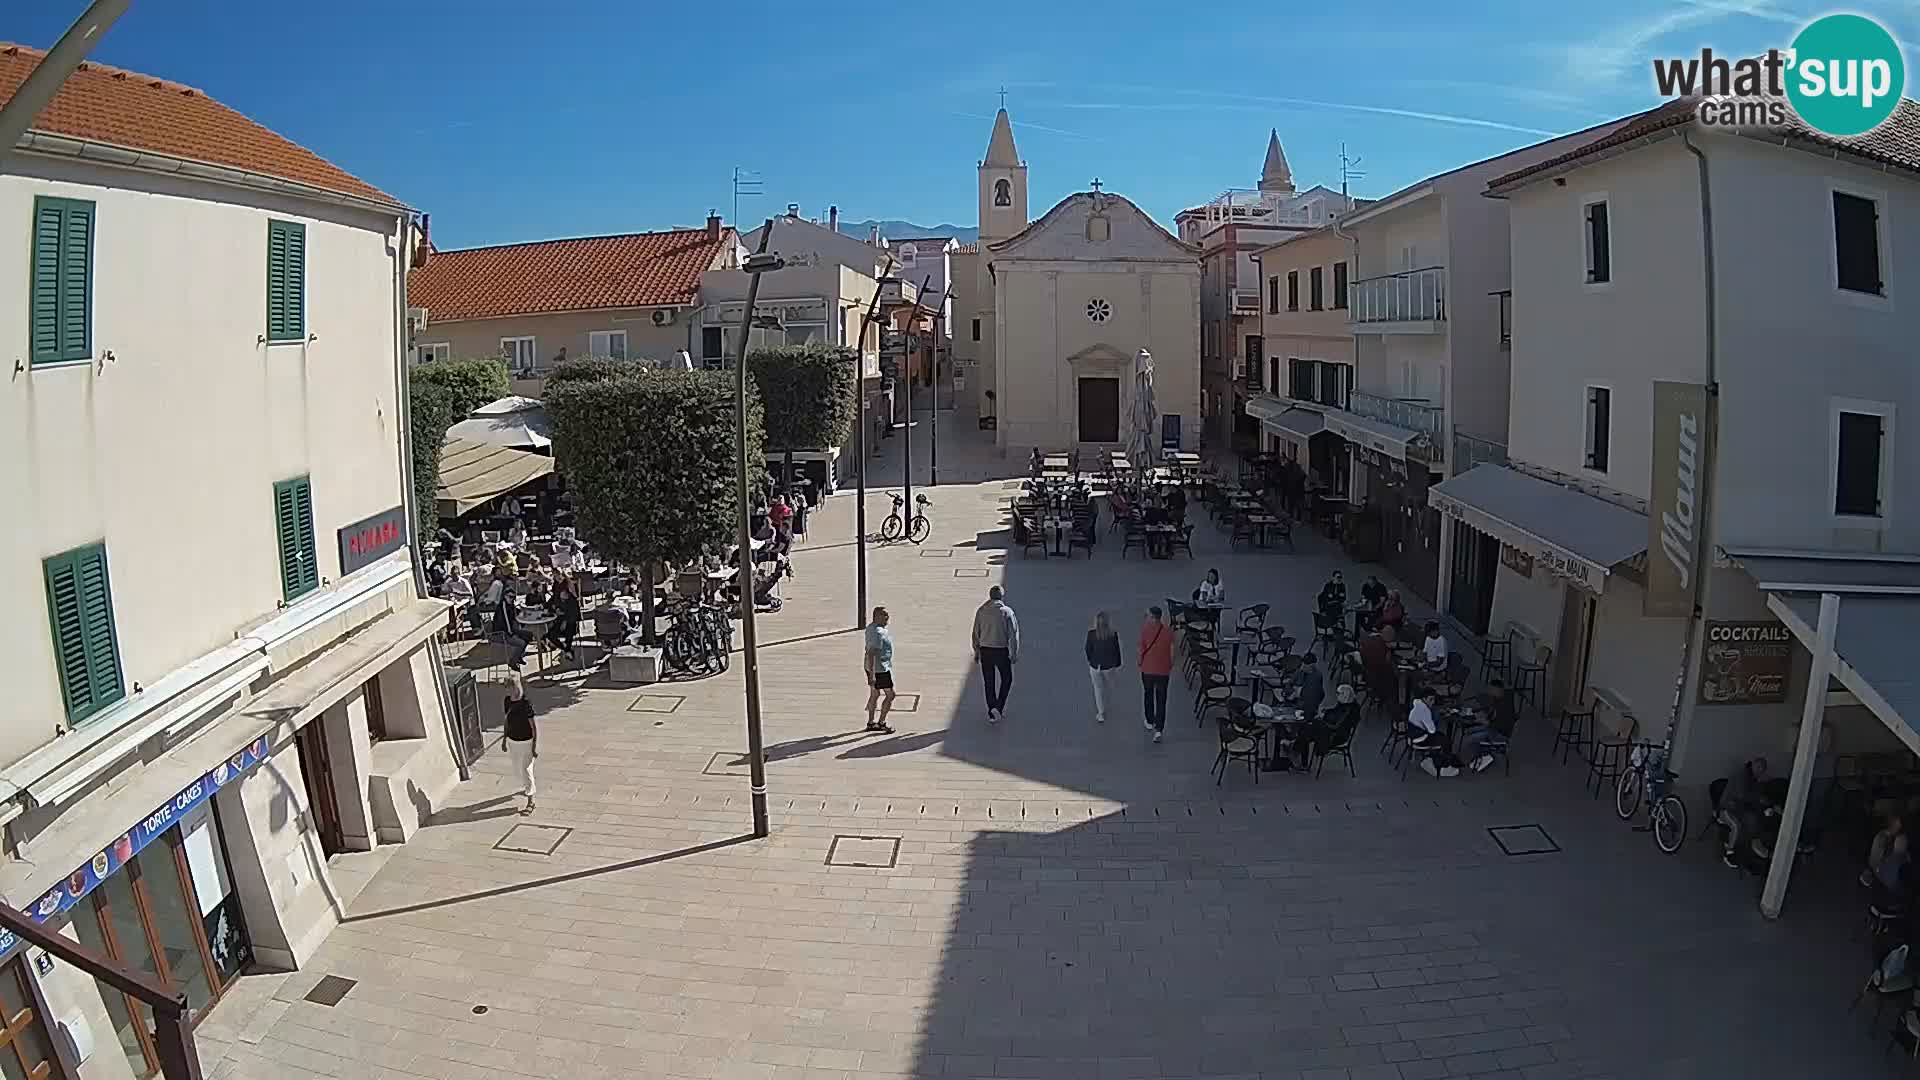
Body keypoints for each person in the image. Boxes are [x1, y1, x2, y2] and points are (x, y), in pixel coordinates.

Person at [971, 586, 1021, 723]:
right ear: (1002, 596)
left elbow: (976, 632)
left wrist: (976, 651)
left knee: (989, 681)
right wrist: (1014, 653)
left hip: (985, 650)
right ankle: (999, 707)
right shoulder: (1007, 612)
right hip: (1000, 650)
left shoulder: (981, 611)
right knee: (1007, 678)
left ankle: (992, 710)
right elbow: (1014, 634)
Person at [1720, 757, 1771, 867]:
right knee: (1736, 826)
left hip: (1739, 808)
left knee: (1754, 819)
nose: (1759, 772)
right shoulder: (1741, 776)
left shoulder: (1753, 778)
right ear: (1753, 765)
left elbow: (1753, 796)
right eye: (1758, 768)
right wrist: (1758, 800)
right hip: (1726, 808)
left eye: (1762, 771)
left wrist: (1762, 802)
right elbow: (1741, 796)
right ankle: (1729, 853)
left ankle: (1752, 844)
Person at [1460, 679, 1519, 772]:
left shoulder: (1505, 706)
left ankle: (1467, 760)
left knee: (1471, 738)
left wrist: (1484, 721)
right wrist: (1482, 717)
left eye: (1491, 690)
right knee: (1469, 731)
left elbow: (1497, 724)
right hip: (1493, 728)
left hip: (1499, 733)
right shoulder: (1498, 698)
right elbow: (1491, 714)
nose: (1490, 692)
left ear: (1498, 690)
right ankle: (1480, 755)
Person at [1139, 606, 1174, 743]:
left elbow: (1141, 648)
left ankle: (1149, 719)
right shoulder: (1168, 631)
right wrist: (1169, 665)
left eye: (1148, 615)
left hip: (1147, 669)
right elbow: (1172, 651)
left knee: (1148, 693)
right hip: (1163, 671)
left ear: (1153, 617)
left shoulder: (1145, 630)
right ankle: (1159, 728)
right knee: (1161, 698)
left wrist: (1140, 662)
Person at [503, 678, 538, 815]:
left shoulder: (525, 703)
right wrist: (504, 739)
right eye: (507, 688)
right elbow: (506, 720)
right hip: (513, 741)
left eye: (511, 687)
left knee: (526, 770)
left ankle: (531, 801)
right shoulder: (507, 701)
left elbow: (533, 727)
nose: (509, 690)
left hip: (526, 741)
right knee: (518, 770)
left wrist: (534, 746)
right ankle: (528, 788)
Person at [1409, 687, 1460, 777]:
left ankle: (1435, 759)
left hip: (1412, 735)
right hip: (1420, 738)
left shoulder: (1417, 705)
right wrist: (1436, 718)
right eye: (1431, 699)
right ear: (1424, 699)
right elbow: (1432, 730)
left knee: (1441, 737)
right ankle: (1445, 765)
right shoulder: (1424, 710)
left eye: (1433, 699)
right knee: (1445, 740)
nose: (1432, 702)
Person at [863, 607, 898, 735]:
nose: (887, 618)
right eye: (884, 616)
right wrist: (872, 676)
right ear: (876, 616)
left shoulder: (870, 628)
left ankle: (871, 723)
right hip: (880, 670)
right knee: (890, 695)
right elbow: (872, 653)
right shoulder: (878, 633)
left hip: (870, 667)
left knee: (875, 694)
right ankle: (881, 723)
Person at [1086, 611, 1122, 724]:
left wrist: (1091, 660)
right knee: (1110, 684)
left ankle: (1101, 712)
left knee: (1097, 688)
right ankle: (1110, 700)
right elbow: (1116, 651)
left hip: (1095, 666)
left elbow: (1088, 649)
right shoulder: (1113, 634)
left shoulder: (1091, 634)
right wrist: (1117, 663)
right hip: (1109, 666)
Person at [1867, 815, 1907, 886]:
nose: (1900, 826)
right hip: (1880, 877)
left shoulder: (1887, 836)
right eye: (1898, 823)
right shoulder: (1883, 838)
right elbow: (1879, 862)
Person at [549, 576, 581, 658]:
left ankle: (567, 648)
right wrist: (555, 609)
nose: (561, 596)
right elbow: (549, 604)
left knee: (570, 627)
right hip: (558, 622)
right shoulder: (557, 598)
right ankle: (566, 649)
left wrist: (565, 621)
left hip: (570, 624)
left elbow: (575, 616)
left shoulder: (572, 601)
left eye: (563, 594)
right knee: (550, 635)